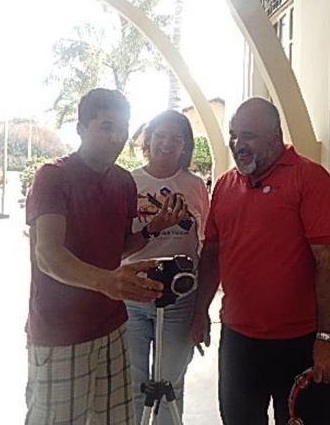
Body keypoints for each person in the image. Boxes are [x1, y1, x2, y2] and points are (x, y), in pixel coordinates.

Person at [24, 88, 189, 425]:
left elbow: (119, 247)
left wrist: (153, 228)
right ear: (81, 129)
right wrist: (107, 281)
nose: (116, 137)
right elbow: (48, 254)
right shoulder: (53, 176)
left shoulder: (123, 182)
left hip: (113, 327)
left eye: (123, 127)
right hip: (62, 332)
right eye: (106, 127)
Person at [190, 97, 330, 425]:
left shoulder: (311, 179)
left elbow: (329, 263)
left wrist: (328, 339)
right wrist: (200, 309)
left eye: (248, 135)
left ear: (275, 137)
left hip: (299, 342)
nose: (238, 144)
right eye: (233, 135)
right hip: (238, 340)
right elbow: (213, 253)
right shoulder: (225, 185)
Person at [122, 110, 210, 424]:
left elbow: (205, 241)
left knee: (172, 384)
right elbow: (117, 244)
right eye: (160, 136)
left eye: (176, 139)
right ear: (148, 140)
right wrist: (155, 226)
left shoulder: (195, 185)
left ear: (185, 145)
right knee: (133, 384)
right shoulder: (128, 181)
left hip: (179, 299)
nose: (167, 144)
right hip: (133, 294)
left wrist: (202, 308)